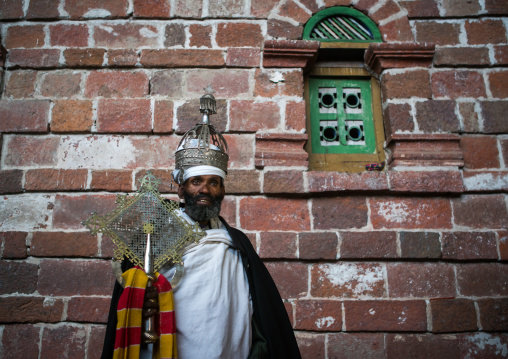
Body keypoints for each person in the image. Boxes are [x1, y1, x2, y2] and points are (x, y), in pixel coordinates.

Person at [101, 91, 301, 359]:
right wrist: (141, 301)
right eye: (196, 182)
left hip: (228, 347)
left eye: (213, 182)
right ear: (181, 189)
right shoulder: (155, 234)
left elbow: (261, 313)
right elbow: (130, 291)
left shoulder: (236, 242)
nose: (205, 190)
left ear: (222, 191)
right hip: (169, 346)